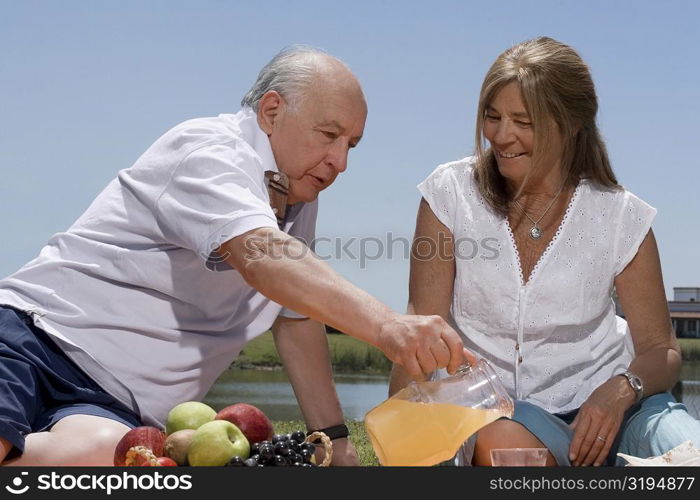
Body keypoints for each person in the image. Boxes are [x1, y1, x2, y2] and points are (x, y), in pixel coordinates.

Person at [0, 46, 470, 466]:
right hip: (34, 339)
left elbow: (297, 318)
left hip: (114, 405)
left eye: (351, 145)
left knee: (102, 456)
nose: (340, 162)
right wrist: (386, 325)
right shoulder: (209, 149)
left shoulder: (296, 194)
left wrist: (334, 440)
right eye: (329, 135)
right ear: (271, 111)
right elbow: (262, 255)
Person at [390, 36, 700, 466]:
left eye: (523, 121)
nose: (501, 136)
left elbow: (662, 350)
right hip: (503, 414)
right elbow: (422, 327)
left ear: (572, 123)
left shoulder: (620, 215)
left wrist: (620, 390)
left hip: (619, 411)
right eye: (492, 116)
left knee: (691, 453)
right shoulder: (450, 195)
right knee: (509, 453)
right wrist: (404, 434)